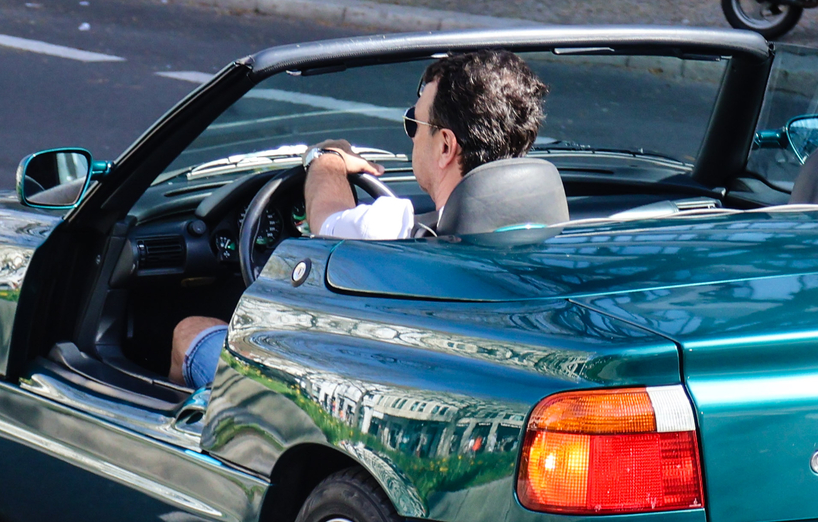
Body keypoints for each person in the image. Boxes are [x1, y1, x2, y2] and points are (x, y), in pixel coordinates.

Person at [167, 50, 551, 388]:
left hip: (364, 391)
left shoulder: (392, 229)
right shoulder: (573, 234)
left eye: (415, 125)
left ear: (446, 146)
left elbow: (324, 217)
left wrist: (326, 160)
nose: (412, 137)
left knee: (190, 333)